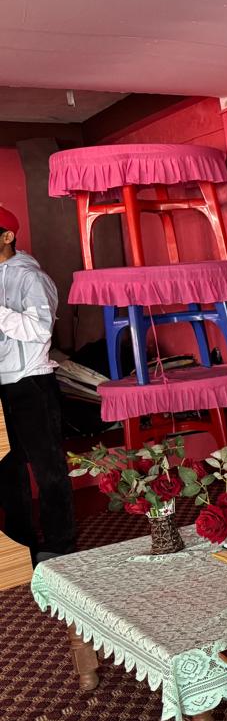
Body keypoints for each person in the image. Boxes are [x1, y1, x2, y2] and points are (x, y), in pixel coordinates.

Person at [0, 207, 74, 559]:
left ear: (7, 236)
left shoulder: (32, 277)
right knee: (7, 471)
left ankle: (60, 549)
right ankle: (22, 550)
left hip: (31, 382)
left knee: (48, 470)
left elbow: (39, 329)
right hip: (1, 386)